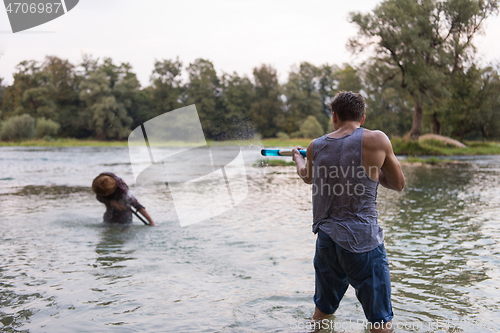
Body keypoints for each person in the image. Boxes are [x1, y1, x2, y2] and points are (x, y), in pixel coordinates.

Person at [292, 91, 405, 333]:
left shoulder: (316, 146)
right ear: (362, 118)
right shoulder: (377, 140)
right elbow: (398, 184)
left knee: (322, 314)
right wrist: (374, 169)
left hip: (327, 241)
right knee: (380, 323)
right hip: (363, 242)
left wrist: (297, 158)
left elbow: (307, 176)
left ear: (334, 116)